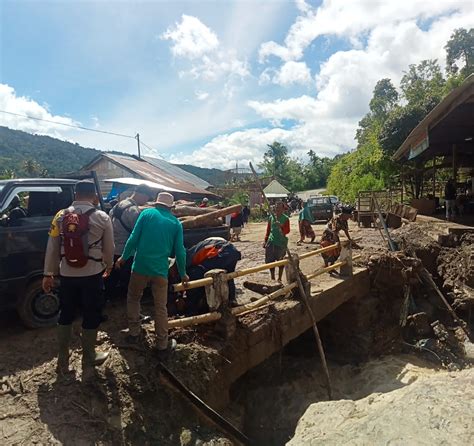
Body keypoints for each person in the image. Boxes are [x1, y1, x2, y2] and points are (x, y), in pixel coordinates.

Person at [42, 180, 114, 380]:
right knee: (91, 312)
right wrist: (108, 266)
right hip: (92, 274)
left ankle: (63, 359)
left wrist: (48, 274)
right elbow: (109, 248)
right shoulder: (102, 216)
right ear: (94, 196)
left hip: (67, 274)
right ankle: (89, 357)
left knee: (66, 312)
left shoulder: (60, 216)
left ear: (75, 193)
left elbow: (52, 247)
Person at [116, 192, 189, 354]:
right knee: (160, 307)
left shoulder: (146, 214)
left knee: (134, 298)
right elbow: (180, 251)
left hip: (140, 267)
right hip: (160, 270)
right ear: (170, 207)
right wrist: (183, 273)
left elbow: (133, 239)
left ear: (156, 203)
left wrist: (123, 257)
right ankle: (162, 344)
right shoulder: (175, 223)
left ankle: (134, 333)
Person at [107, 184, 155, 297]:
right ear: (142, 194)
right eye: (147, 197)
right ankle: (128, 305)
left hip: (114, 248)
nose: (147, 200)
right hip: (127, 252)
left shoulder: (117, 206)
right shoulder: (134, 211)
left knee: (112, 279)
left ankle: (109, 300)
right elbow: (139, 234)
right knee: (129, 282)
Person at [183, 237, 242, 314]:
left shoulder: (189, 256)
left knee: (197, 277)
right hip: (232, 251)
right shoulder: (199, 246)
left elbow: (190, 277)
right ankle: (231, 301)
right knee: (228, 277)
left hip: (220, 253)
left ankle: (193, 310)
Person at [263, 201, 290, 282]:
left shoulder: (285, 218)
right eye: (276, 207)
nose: (277, 209)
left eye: (279, 207)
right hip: (271, 241)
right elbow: (268, 230)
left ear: (283, 209)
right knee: (270, 261)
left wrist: (281, 227)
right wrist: (265, 240)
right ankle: (272, 277)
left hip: (281, 242)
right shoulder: (271, 217)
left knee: (280, 261)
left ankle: (279, 278)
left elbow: (287, 230)